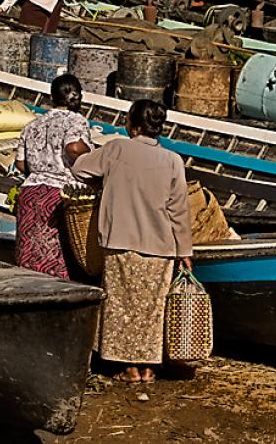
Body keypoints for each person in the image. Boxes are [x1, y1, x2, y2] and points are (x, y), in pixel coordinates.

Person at [72, 99, 192, 384]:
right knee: (152, 309)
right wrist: (185, 251)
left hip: (121, 242)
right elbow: (179, 210)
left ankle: (128, 368)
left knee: (122, 306)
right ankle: (148, 368)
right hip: (161, 246)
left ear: (135, 126)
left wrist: (104, 183)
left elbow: (79, 169)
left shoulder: (115, 149)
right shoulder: (173, 161)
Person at [14, 75, 93, 279]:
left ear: (52, 97)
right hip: (58, 196)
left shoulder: (33, 124)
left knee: (29, 260)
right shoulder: (76, 120)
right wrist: (93, 157)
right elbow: (74, 148)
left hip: (30, 194)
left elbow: (21, 164)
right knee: (58, 261)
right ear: (79, 97)